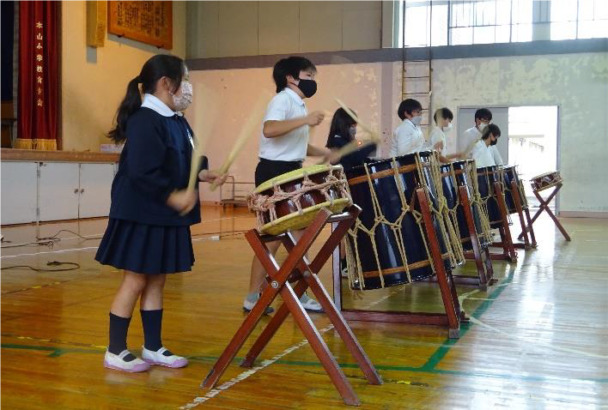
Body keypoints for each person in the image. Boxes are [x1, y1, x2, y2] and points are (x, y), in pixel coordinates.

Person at [96, 54, 226, 373]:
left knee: (157, 280)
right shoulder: (145, 119)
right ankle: (115, 350)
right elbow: (142, 171)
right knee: (136, 279)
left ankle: (152, 346)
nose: (189, 87)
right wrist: (172, 196)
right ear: (167, 83)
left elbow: (183, 158)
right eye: (186, 79)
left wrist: (202, 173)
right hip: (142, 212)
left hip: (161, 213)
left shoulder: (176, 119)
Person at [244, 56, 336, 314]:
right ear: (291, 78)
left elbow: (296, 143)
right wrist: (305, 121)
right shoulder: (282, 99)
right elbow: (270, 129)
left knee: (299, 235)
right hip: (274, 172)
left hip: (291, 171)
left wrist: (323, 152)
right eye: (308, 76)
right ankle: (252, 296)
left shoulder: (298, 105)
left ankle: (297, 291)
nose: (312, 82)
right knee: (272, 238)